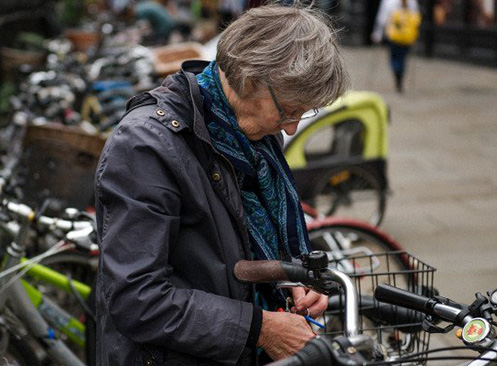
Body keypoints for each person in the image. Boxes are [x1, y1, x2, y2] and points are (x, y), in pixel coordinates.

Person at [94, 4, 350, 366]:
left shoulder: (252, 133)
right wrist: (260, 328)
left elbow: (240, 245)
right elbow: (138, 298)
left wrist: (288, 278)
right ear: (249, 79)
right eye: (289, 110)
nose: (291, 128)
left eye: (302, 113)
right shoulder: (145, 146)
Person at [371, 0, 421, 93]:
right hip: (407, 37)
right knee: (402, 58)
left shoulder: (388, 1)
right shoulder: (412, 2)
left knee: (394, 57)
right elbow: (416, 18)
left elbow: (382, 18)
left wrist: (378, 33)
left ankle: (397, 75)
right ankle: (400, 76)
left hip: (394, 36)